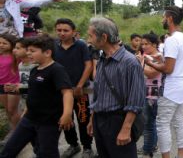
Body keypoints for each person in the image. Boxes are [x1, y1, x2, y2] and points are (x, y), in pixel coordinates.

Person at [0, 35, 74, 157]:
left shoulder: (56, 70)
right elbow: (34, 92)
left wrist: (67, 114)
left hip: (48, 122)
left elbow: (67, 92)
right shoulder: (35, 70)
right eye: (28, 50)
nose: (28, 53)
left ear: (47, 53)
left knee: (47, 153)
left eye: (32, 51)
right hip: (29, 119)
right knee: (9, 149)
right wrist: (26, 109)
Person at [86, 17, 145, 158]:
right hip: (100, 120)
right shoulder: (102, 60)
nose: (88, 40)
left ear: (104, 37)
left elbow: (135, 100)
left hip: (118, 122)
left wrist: (126, 129)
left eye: (91, 36)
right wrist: (92, 119)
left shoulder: (130, 62)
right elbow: (99, 93)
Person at [145, 6, 183, 158]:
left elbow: (169, 69)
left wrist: (149, 63)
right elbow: (175, 63)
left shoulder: (171, 40)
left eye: (164, 17)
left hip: (171, 88)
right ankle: (182, 154)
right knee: (179, 122)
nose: (162, 20)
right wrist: (161, 59)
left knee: (163, 124)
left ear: (170, 18)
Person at [53, 18, 94, 158]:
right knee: (66, 119)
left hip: (80, 90)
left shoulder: (81, 46)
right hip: (61, 92)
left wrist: (80, 85)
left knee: (83, 118)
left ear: (73, 32)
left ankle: (87, 147)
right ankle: (73, 145)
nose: (62, 33)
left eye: (66, 30)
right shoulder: (52, 46)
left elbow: (88, 65)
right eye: (59, 30)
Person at [136, 33, 163, 158]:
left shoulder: (158, 57)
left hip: (152, 94)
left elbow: (152, 74)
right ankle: (152, 145)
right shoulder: (146, 56)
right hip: (145, 92)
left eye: (146, 44)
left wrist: (140, 64)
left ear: (154, 44)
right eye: (142, 44)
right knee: (151, 122)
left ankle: (147, 148)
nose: (144, 46)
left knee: (148, 124)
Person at [0, 34, 21, 145]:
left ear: (11, 44)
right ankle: (13, 130)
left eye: (4, 43)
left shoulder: (15, 56)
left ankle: (19, 132)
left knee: (13, 109)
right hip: (1, 85)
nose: (1, 45)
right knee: (7, 110)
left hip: (13, 85)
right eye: (0, 43)